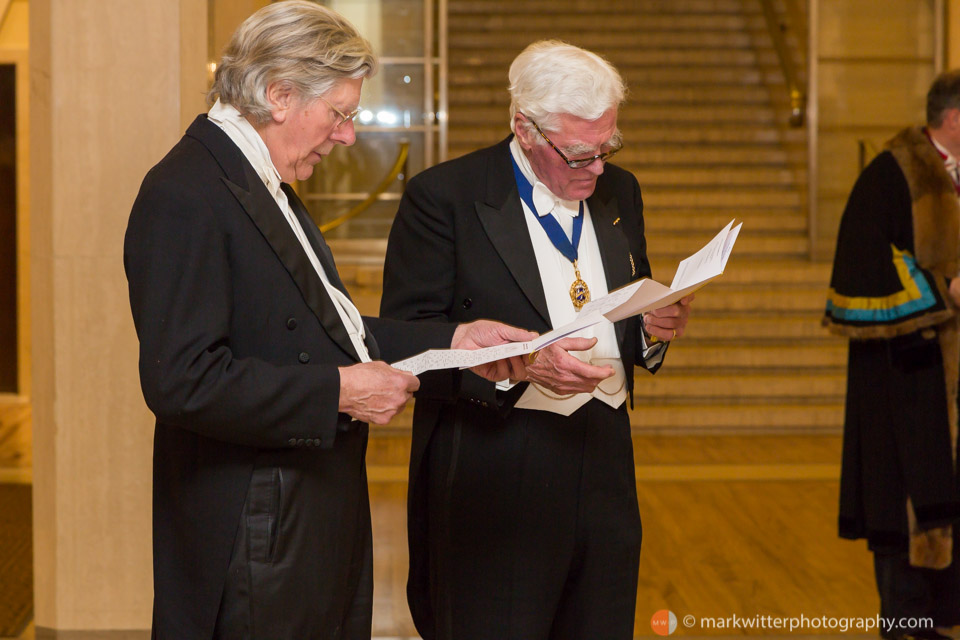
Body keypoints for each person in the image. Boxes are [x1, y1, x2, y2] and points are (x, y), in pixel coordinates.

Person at [123, 3, 532, 638]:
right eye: (340, 113)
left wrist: (457, 342)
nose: (346, 135)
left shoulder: (264, 182)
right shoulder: (185, 192)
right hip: (256, 536)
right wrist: (340, 392)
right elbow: (181, 380)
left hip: (300, 519)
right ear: (278, 94)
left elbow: (327, 332)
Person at [380, 40, 693, 640]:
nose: (597, 168)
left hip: (604, 462)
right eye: (579, 153)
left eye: (607, 147)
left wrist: (654, 331)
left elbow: (623, 306)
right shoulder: (443, 198)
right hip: (493, 467)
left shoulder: (620, 191)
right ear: (524, 127)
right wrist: (518, 363)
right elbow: (404, 343)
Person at [824, 69, 960, 639]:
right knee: (905, 489)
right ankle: (907, 616)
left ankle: (949, 604)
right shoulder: (891, 173)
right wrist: (945, 292)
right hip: (908, 370)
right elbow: (863, 265)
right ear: (954, 119)